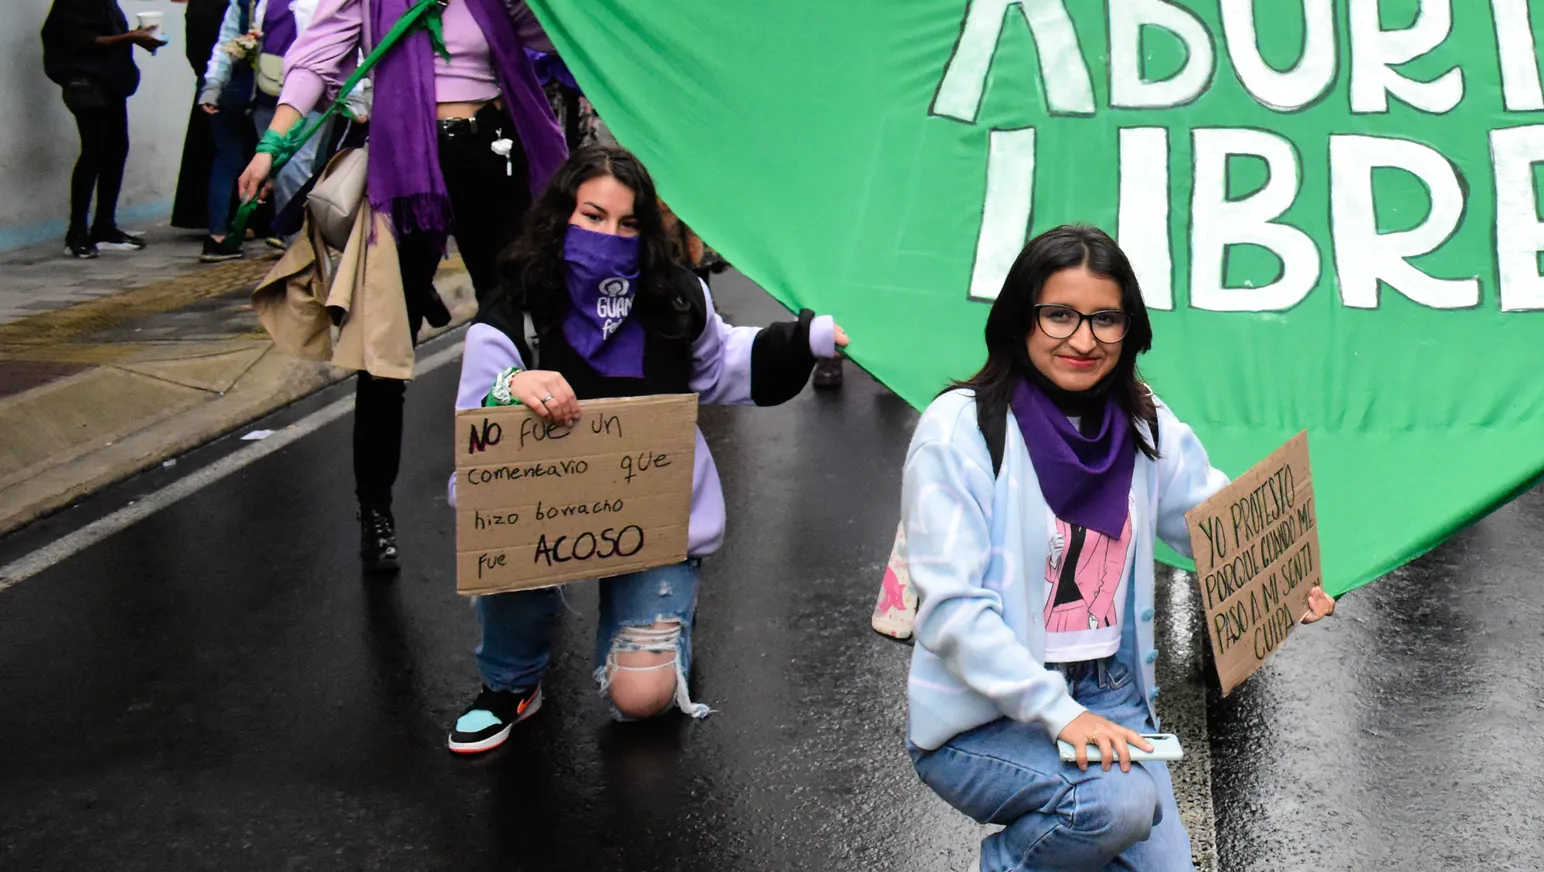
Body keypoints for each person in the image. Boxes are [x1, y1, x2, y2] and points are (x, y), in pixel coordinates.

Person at [904, 225, 1336, 870]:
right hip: (984, 713)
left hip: (1108, 690)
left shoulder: (1141, 420)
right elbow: (951, 611)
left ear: (1130, 328)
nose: (1083, 340)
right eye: (1059, 316)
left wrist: (1285, 579)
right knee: (1114, 807)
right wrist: (1057, 713)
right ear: (1020, 318)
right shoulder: (961, 430)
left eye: (1106, 319)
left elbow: (1209, 520)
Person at [444, 146, 850, 752]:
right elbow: (476, 431)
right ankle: (510, 686)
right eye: (593, 216)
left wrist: (803, 341)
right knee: (512, 572)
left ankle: (667, 624)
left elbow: (724, 363)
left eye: (628, 223)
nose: (610, 235)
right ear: (562, 217)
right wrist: (512, 387)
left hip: (649, 518)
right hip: (538, 519)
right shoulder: (517, 304)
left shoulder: (674, 296)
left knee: (643, 700)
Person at [239, 0, 569, 574]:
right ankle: (375, 511)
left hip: (491, 158)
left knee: (510, 335)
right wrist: (271, 144)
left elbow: (550, 30)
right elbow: (316, 60)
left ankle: (522, 493)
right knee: (383, 351)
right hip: (402, 167)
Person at [197, 0, 340, 259]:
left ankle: (302, 254)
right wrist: (213, 82)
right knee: (275, 168)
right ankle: (303, 248)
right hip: (265, 93)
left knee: (295, 169)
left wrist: (359, 92)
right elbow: (228, 36)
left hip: (313, 93)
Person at [41, 0, 163, 257]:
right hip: (88, 86)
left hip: (109, 83)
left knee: (115, 150)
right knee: (94, 153)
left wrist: (133, 38)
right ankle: (77, 232)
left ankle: (104, 226)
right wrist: (130, 38)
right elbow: (78, 38)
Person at [174, 0, 263, 233]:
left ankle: (214, 226)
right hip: (244, 84)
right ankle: (246, 223)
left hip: (209, 82)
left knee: (217, 158)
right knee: (244, 157)